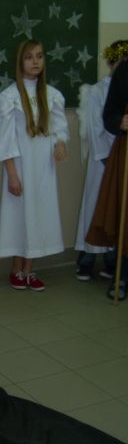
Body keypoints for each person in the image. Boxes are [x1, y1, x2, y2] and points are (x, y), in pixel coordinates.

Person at [0, 39, 69, 290]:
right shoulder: (9, 97)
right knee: (20, 217)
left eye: (39, 56)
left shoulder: (52, 95)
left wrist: (60, 143)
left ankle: (29, 270)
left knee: (38, 215)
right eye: (29, 57)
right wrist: (12, 174)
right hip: (20, 167)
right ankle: (16, 270)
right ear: (20, 62)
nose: (35, 61)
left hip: (43, 170)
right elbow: (6, 140)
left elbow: (59, 128)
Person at [74, 43, 128, 281]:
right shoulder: (96, 91)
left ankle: (111, 260)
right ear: (111, 62)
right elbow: (95, 128)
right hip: (103, 162)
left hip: (121, 162)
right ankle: (86, 260)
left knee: (114, 212)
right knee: (95, 208)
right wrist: (107, 160)